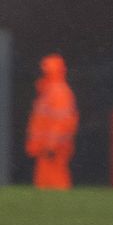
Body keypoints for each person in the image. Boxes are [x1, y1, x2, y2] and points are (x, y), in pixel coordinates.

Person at [25, 54, 78, 190]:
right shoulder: (49, 92)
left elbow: (61, 123)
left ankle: (60, 207)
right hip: (46, 148)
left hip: (53, 149)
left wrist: (51, 145)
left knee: (56, 181)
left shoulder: (58, 92)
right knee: (45, 182)